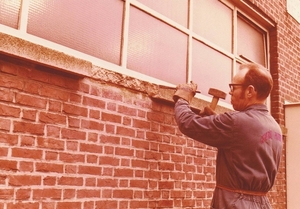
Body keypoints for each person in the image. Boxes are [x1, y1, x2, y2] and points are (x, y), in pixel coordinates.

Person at [173, 63, 283, 209]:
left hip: (234, 204)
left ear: (250, 91)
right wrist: (218, 121)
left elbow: (187, 123)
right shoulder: (275, 128)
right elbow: (244, 143)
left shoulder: (236, 123)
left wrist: (182, 98)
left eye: (233, 87)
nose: (230, 92)